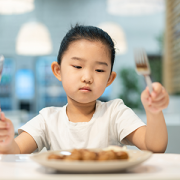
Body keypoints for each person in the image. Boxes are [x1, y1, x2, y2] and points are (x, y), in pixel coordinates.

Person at [0, 24, 169, 154]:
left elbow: (154, 147)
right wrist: (7, 142)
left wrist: (154, 112)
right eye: (77, 66)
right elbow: (17, 151)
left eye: (99, 70)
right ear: (58, 71)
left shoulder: (115, 113)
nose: (87, 77)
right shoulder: (47, 119)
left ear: (109, 79)